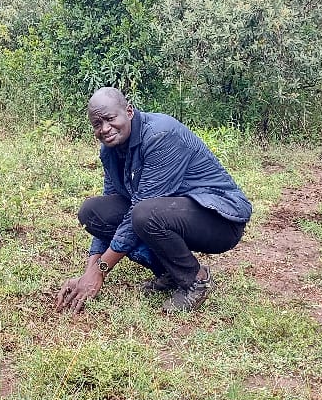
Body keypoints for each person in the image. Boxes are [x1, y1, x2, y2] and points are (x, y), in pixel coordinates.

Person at [56, 87, 252, 314]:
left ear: (129, 111)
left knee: (144, 214)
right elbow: (111, 201)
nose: (105, 129)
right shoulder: (110, 151)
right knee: (93, 212)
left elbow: (136, 214)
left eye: (110, 119)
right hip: (171, 210)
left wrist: (100, 270)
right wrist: (89, 271)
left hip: (219, 219)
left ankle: (196, 279)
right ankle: (169, 273)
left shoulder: (161, 135)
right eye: (97, 124)